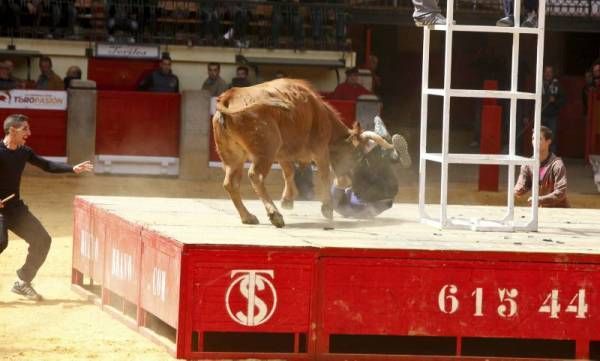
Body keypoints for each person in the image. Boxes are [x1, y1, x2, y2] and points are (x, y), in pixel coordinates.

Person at [0, 114, 93, 301]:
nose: (29, 132)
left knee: (42, 240)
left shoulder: (24, 152)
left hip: (15, 208)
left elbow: (47, 165)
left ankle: (23, 282)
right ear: (12, 130)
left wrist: (72, 169)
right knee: (0, 242)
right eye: (24, 129)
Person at [331, 130, 412, 218]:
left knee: (342, 184)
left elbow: (342, 181)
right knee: (375, 162)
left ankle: (393, 154)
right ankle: (394, 154)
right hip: (384, 197)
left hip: (371, 200)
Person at [514, 126, 569, 207]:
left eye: (539, 139)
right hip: (539, 211)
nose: (534, 141)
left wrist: (540, 199)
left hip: (558, 211)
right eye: (533, 138)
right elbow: (522, 185)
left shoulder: (557, 165)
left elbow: (561, 192)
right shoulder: (527, 164)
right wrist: (516, 191)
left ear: (548, 141)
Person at [541, 65, 565, 153]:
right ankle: (540, 160)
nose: (548, 74)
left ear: (553, 73)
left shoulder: (557, 85)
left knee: (552, 139)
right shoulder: (539, 83)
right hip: (541, 115)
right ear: (543, 73)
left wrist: (554, 101)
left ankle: (552, 160)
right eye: (546, 72)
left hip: (552, 117)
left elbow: (563, 100)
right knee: (540, 139)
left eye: (550, 72)